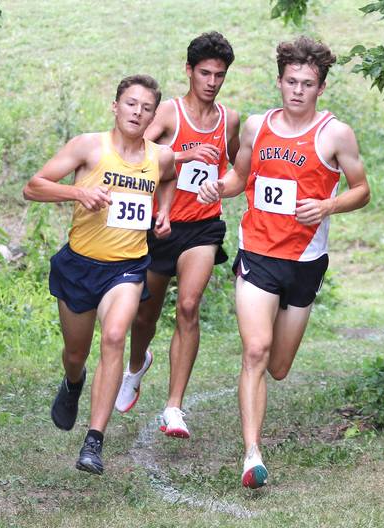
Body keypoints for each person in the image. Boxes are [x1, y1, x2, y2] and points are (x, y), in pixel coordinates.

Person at [198, 36, 371, 488]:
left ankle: (257, 425)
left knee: (278, 366)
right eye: (291, 81)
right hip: (257, 251)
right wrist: (219, 186)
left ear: (321, 88)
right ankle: (252, 455)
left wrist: (327, 206)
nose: (297, 90)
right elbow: (239, 175)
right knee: (255, 350)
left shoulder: (335, 134)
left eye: (307, 83)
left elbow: (361, 189)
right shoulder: (257, 127)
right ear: (279, 81)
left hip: (306, 261)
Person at [22, 74, 176, 475]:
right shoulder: (89, 146)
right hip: (80, 265)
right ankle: (73, 383)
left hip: (127, 267)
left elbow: (170, 179)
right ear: (115, 106)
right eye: (130, 104)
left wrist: (164, 211)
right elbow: (34, 186)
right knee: (76, 353)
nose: (137, 112)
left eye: (146, 107)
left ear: (152, 115)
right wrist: (78, 193)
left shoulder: (160, 157)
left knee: (113, 337)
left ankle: (94, 440)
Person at [115, 32, 240, 439]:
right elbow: (133, 151)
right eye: (204, 73)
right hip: (159, 225)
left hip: (204, 227)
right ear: (189, 71)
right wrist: (184, 155)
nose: (211, 82)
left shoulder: (229, 120)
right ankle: (136, 367)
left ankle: (174, 408)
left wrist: (220, 185)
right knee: (144, 315)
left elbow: (237, 168)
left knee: (188, 306)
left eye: (219, 75)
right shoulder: (167, 114)